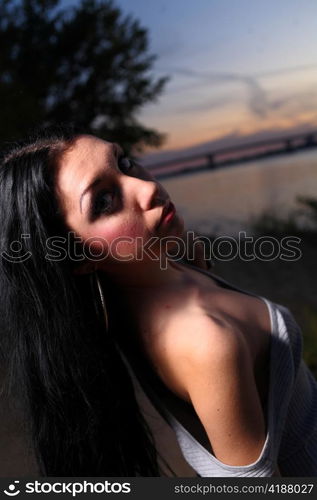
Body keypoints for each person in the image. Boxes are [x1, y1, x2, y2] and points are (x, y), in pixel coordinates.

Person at [0, 126, 316, 477]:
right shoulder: (207, 340)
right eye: (104, 201)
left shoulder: (144, 277)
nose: (147, 187)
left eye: (125, 163)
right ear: (78, 258)